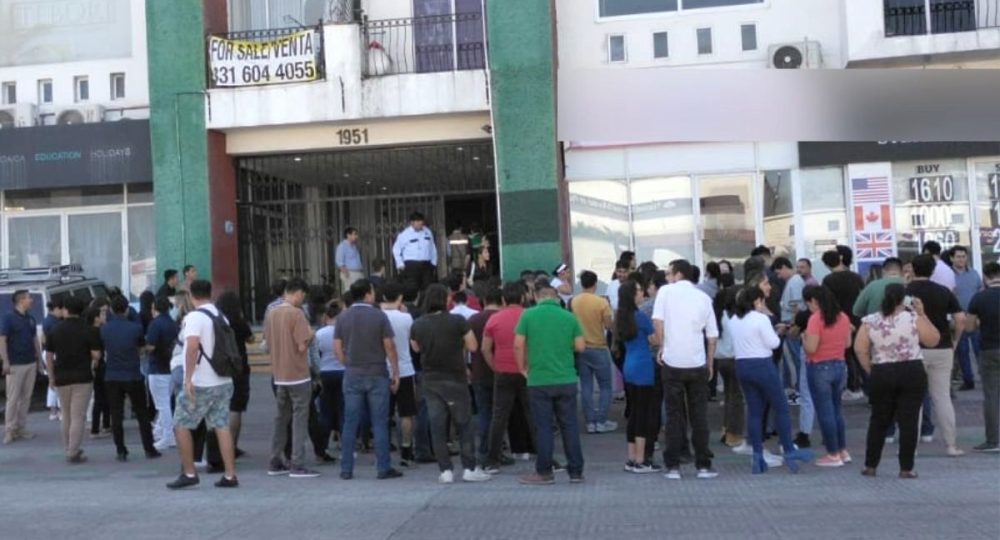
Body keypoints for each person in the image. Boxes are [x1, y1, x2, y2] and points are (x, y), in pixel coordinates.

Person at [854, 283, 939, 479]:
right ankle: (906, 468)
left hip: (882, 370)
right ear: (904, 298)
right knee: (909, 421)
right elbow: (933, 340)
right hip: (911, 369)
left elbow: (860, 348)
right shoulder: (913, 318)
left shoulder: (870, 320)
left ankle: (871, 465)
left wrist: (870, 368)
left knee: (879, 420)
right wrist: (923, 314)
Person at [410, 284, 491, 483]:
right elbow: (473, 346)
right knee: (463, 423)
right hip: (455, 377)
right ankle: (469, 468)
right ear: (445, 300)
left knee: (437, 424)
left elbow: (416, 348)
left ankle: (445, 470)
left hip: (430, 379)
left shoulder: (418, 324)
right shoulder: (457, 321)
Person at [728, 286, 814, 474]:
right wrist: (778, 332)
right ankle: (789, 450)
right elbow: (773, 343)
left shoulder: (734, 319)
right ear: (757, 301)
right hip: (762, 365)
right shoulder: (761, 318)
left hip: (742, 365)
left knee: (754, 410)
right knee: (781, 407)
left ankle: (757, 454)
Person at [166, 280, 239, 489]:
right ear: (210, 293)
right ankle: (230, 475)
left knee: (180, 424)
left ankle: (189, 472)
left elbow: (191, 347)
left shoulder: (194, 317)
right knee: (221, 425)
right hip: (224, 379)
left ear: (191, 295)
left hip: (202, 382)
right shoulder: (219, 314)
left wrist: (188, 378)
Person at [653, 260, 720, 480]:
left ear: (678, 274)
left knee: (674, 415)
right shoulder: (703, 297)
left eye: (669, 272)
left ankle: (673, 465)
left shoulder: (665, 292)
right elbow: (712, 335)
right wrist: (710, 362)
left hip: (672, 361)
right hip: (697, 362)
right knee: (699, 415)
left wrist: (662, 346)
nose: (666, 277)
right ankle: (703, 464)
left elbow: (658, 321)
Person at [515, 285, 585, 485]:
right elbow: (580, 346)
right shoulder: (569, 317)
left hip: (539, 379)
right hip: (566, 378)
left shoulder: (528, 316)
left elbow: (518, 344)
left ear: (536, 297)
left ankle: (545, 471)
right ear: (556, 298)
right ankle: (576, 471)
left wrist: (522, 368)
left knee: (544, 427)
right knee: (569, 426)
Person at [335, 279, 403, 480]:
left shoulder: (343, 317)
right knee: (380, 422)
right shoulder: (379, 316)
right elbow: (389, 346)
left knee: (350, 422)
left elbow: (337, 347)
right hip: (377, 373)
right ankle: (383, 467)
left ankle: (346, 468)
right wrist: (396, 372)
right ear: (367, 294)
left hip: (353, 374)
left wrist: (348, 363)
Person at [907, 254, 965, 457]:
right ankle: (951, 445)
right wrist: (955, 341)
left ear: (913, 269)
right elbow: (960, 319)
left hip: (913, 349)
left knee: (913, 399)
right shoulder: (943, 291)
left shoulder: (906, 292)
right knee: (942, 397)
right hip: (942, 348)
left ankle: (910, 447)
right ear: (933, 270)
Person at [264, 278, 318, 478]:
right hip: (298, 374)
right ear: (298, 293)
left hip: (279, 374)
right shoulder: (297, 314)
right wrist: (310, 335)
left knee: (281, 418)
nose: (302, 300)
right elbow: (302, 345)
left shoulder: (271, 313)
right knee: (299, 418)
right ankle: (297, 462)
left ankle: (275, 459)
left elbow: (267, 343)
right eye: (302, 296)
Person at [482, 282, 534, 473]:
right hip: (528, 371)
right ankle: (544, 455)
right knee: (532, 414)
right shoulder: (530, 316)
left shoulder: (494, 319)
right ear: (523, 298)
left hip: (503, 371)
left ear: (503, 299)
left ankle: (492, 459)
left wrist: (494, 366)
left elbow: (485, 348)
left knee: (499, 416)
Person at [101, 295, 160, 461]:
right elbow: (141, 349)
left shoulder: (105, 329)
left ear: (111, 309)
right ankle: (149, 448)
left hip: (112, 375)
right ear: (127, 309)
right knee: (142, 413)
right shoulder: (135, 328)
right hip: (132, 374)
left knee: (116, 414)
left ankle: (120, 450)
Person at [44, 296, 101, 463]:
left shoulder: (55, 330)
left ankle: (68, 447)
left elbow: (48, 356)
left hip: (62, 377)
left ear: (65, 310)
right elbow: (97, 354)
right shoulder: (88, 329)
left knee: (66, 414)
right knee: (78, 416)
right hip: (82, 377)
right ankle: (73, 451)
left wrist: (51, 377)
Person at [801, 286, 852, 467]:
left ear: (815, 301)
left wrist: (804, 337)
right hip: (839, 365)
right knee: (837, 410)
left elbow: (811, 348)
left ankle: (832, 453)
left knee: (825, 412)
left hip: (819, 367)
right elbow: (847, 343)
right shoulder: (843, 317)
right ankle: (842, 450)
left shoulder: (815, 319)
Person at [616, 280, 661, 473]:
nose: (642, 293)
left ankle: (632, 457)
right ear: (632, 295)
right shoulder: (641, 317)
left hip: (629, 366)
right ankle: (642, 460)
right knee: (644, 413)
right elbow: (655, 339)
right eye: (639, 290)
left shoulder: (621, 316)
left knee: (634, 412)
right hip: (643, 366)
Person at [572, 270, 616, 434]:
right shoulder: (601, 303)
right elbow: (608, 325)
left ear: (581, 284)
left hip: (581, 347)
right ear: (595, 284)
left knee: (586, 386)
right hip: (599, 346)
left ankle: (590, 422)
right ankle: (601, 421)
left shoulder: (574, 301)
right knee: (605, 386)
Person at [380, 282, 418, 466]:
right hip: (405, 369)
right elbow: (413, 342)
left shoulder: (377, 316)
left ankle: (384, 447)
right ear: (400, 298)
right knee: (406, 413)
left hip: (382, 370)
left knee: (383, 413)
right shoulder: (406, 318)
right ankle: (406, 449)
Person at [821, 249, 866, 400]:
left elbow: (829, 303)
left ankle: (854, 387)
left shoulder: (828, 280)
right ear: (840, 259)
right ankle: (868, 387)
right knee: (861, 352)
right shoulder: (856, 277)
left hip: (841, 320)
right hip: (858, 319)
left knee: (848, 354)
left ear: (827, 265)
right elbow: (863, 296)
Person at [215, 291, 254, 457]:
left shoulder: (217, 321)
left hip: (221, 368)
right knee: (235, 408)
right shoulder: (239, 321)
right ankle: (232, 446)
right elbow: (251, 339)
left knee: (221, 408)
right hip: (240, 367)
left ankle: (220, 447)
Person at [967, 262, 1000, 452]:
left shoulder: (979, 298)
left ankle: (992, 440)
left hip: (989, 349)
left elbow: (970, 327)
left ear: (986, 277)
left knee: (991, 395)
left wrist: (981, 322)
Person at [467, 287, 501, 469]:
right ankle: (496, 451)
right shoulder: (501, 318)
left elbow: (465, 346)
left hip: (478, 371)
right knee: (499, 415)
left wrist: (466, 367)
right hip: (501, 371)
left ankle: (482, 451)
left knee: (483, 413)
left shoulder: (474, 319)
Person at [2, 290, 41, 444]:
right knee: (13, 398)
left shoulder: (30, 319)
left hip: (30, 362)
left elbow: (34, 340)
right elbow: (2, 340)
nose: (31, 300)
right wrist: (5, 361)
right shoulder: (8, 318)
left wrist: (39, 359)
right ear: (21, 300)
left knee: (26, 397)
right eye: (29, 297)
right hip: (15, 364)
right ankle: (10, 430)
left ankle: (21, 427)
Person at [146, 296, 180, 451]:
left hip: (157, 367)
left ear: (155, 308)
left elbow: (151, 346)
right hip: (170, 366)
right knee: (166, 401)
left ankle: (168, 435)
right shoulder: (173, 324)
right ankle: (161, 430)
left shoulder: (155, 324)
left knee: (162, 404)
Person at [950, 246, 982, 391]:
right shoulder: (948, 275)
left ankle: (986, 378)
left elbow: (980, 292)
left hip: (974, 317)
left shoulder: (974, 274)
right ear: (952, 258)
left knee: (979, 349)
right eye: (958, 256)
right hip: (958, 318)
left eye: (963, 256)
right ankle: (968, 381)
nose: (961, 259)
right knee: (962, 351)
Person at [393, 212, 438, 297]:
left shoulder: (427, 232)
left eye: (421, 221)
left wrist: (433, 263)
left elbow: (432, 248)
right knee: (411, 288)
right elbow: (396, 249)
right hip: (411, 265)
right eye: (417, 221)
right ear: (411, 222)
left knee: (427, 288)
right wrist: (400, 264)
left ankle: (425, 307)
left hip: (426, 265)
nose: (420, 223)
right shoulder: (405, 234)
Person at [87, 301, 111, 439]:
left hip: (96, 368)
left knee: (100, 397)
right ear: (96, 318)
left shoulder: (88, 330)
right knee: (103, 397)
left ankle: (99, 426)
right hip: (100, 366)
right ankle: (102, 426)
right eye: (101, 313)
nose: (104, 315)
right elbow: (97, 352)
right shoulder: (98, 332)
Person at [42, 299, 64, 422]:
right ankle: (60, 410)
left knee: (52, 382)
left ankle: (53, 411)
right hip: (54, 353)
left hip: (47, 352)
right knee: (58, 381)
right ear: (55, 309)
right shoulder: (55, 323)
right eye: (61, 309)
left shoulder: (46, 321)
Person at [335, 227, 364, 293]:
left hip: (358, 272)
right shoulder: (342, 246)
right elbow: (339, 261)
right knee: (350, 291)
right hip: (350, 273)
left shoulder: (354, 246)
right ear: (348, 235)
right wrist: (346, 273)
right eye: (355, 234)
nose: (357, 236)